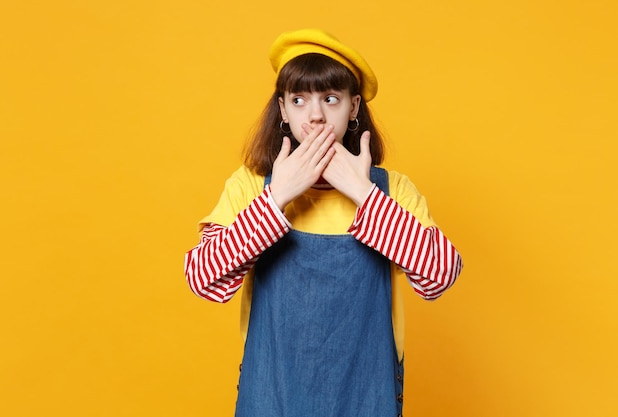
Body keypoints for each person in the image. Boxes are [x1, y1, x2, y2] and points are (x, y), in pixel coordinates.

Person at [184, 28, 463, 417]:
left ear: (353, 108)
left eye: (330, 99)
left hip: (367, 400)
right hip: (271, 399)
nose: (314, 115)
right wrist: (277, 197)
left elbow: (441, 275)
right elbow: (202, 280)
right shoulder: (251, 186)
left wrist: (363, 193)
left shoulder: (391, 190)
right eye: (299, 100)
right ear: (283, 109)